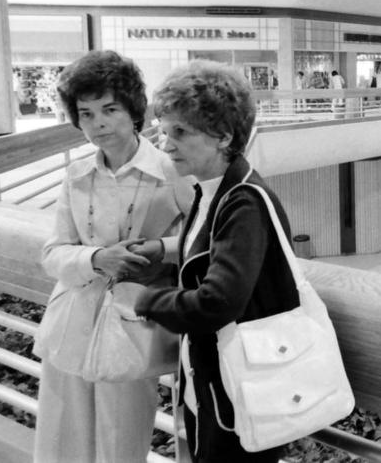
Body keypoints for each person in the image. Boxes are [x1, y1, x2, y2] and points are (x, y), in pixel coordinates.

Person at [134, 60, 302, 462]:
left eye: (180, 132)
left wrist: (145, 301)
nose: (164, 142)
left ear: (223, 136)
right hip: (215, 385)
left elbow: (217, 302)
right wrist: (162, 249)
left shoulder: (242, 201)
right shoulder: (211, 191)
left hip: (237, 393)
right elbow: (214, 246)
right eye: (162, 128)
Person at [33, 50, 193, 463]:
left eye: (109, 109)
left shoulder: (170, 170)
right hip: (72, 323)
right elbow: (53, 252)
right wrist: (96, 259)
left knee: (120, 443)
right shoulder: (77, 175)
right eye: (85, 114)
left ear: (133, 110)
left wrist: (159, 249)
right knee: (61, 439)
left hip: (131, 327)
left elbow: (203, 243)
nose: (98, 123)